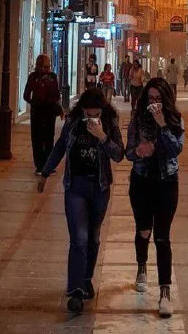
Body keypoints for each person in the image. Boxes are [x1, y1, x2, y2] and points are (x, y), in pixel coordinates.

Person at [38, 88, 124, 314]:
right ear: (82, 110)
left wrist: (102, 136)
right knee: (79, 238)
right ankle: (75, 290)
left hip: (99, 187)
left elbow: (118, 154)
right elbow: (60, 146)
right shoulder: (73, 122)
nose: (91, 118)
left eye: (96, 114)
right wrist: (46, 172)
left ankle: (86, 279)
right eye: (88, 114)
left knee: (93, 238)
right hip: (75, 186)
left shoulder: (110, 122)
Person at [126, 77, 184, 318]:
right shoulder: (137, 119)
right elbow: (128, 152)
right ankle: (141, 266)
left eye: (158, 99)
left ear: (165, 99)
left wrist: (162, 125)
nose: (154, 104)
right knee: (143, 230)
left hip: (166, 182)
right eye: (150, 99)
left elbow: (176, 149)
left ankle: (165, 293)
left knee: (162, 236)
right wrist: (139, 151)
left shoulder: (174, 119)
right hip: (141, 181)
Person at [23, 54, 63, 175]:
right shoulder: (33, 77)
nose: (48, 69)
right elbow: (26, 94)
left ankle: (48, 164)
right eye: (46, 66)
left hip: (49, 111)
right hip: (37, 112)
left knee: (49, 138)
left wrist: (58, 107)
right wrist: (34, 103)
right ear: (39, 66)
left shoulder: (53, 76)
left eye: (49, 66)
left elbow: (57, 94)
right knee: (37, 139)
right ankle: (40, 165)